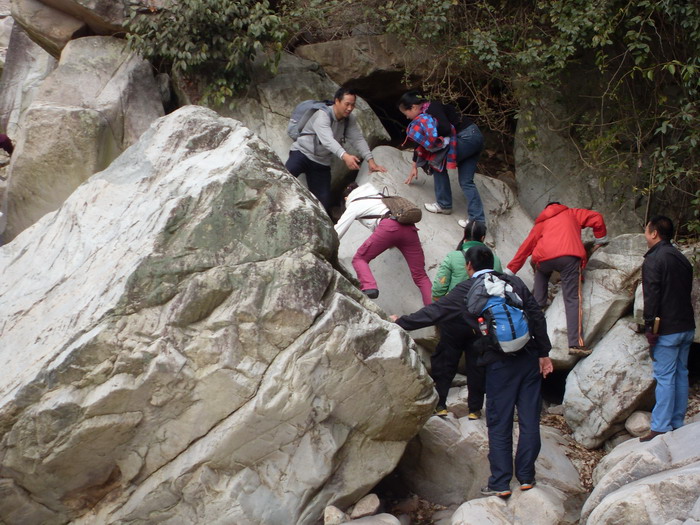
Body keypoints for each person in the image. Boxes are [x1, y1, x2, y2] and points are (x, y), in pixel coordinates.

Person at [464, 245, 553, 499]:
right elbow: (536, 315)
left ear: (469, 266)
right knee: (529, 420)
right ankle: (526, 477)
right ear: (494, 261)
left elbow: (466, 322)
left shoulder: (471, 290)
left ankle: (501, 482)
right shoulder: (513, 282)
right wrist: (543, 352)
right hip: (527, 359)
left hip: (499, 365)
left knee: (499, 422)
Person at [390, 251, 485, 420]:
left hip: (454, 320)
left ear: (469, 265)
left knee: (446, 361)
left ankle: (440, 405)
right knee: (476, 365)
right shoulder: (500, 279)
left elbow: (437, 303)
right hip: (480, 327)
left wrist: (402, 322)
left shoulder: (458, 265)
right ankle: (475, 409)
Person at [505, 202, 608, 356]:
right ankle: (575, 344)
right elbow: (596, 218)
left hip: (544, 259)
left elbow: (526, 247)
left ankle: (539, 302)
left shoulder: (542, 223)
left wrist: (509, 271)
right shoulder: (572, 213)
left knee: (541, 272)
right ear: (560, 206)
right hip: (569, 257)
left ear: (545, 210)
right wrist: (600, 240)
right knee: (572, 298)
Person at [286, 87, 387, 214]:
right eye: (347, 104)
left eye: (352, 105)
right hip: (301, 154)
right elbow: (327, 140)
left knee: (323, 205)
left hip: (321, 163)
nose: (350, 108)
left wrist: (371, 161)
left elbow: (357, 139)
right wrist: (345, 156)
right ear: (337, 101)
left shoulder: (349, 120)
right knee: (284, 180)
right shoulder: (322, 115)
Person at [639, 216, 696, 442]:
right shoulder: (681, 258)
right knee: (681, 373)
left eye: (646, 231)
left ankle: (660, 427)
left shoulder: (654, 260)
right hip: (686, 326)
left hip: (667, 328)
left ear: (654, 233)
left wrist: (650, 329)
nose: (645, 235)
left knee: (664, 377)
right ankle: (677, 423)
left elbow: (652, 297)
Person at [335, 182, 432, 305]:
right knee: (420, 276)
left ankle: (369, 287)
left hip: (388, 228)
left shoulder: (354, 203)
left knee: (360, 258)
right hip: (409, 228)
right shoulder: (379, 196)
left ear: (346, 198)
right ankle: (434, 311)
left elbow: (338, 230)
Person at [398, 91, 485, 227]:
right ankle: (477, 221)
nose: (408, 118)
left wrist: (432, 140)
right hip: (475, 136)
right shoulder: (425, 114)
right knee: (466, 181)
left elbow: (444, 128)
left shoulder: (431, 110)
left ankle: (444, 204)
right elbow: (419, 141)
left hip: (466, 137)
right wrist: (414, 164)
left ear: (414, 107)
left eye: (406, 113)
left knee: (436, 162)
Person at [432, 220, 502, 301]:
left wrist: (437, 307)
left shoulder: (453, 256)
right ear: (482, 238)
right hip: (480, 309)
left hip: (452, 306)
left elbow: (439, 287)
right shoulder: (495, 260)